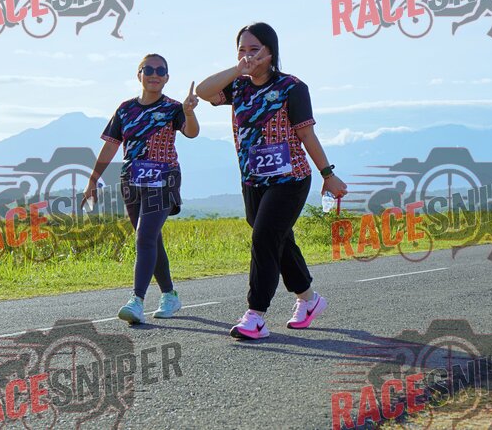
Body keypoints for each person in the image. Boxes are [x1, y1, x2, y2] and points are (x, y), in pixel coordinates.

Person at [196, 22, 348, 340]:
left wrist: (328, 175)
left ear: (270, 52)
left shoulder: (292, 88)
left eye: (255, 49)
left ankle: (255, 316)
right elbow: (203, 91)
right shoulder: (238, 87)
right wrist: (237, 69)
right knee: (277, 238)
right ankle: (309, 299)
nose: (248, 56)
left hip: (290, 178)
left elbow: (306, 134)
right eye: (242, 50)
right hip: (253, 179)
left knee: (264, 237)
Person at [82, 53, 199, 324]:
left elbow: (192, 132)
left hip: (164, 178)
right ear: (139, 75)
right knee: (151, 238)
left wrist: (189, 112)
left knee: (144, 237)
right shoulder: (125, 109)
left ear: (167, 77)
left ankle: (136, 300)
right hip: (132, 180)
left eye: (160, 70)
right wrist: (93, 180)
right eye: (148, 69)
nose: (154, 74)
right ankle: (169, 295)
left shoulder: (174, 108)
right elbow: (110, 145)